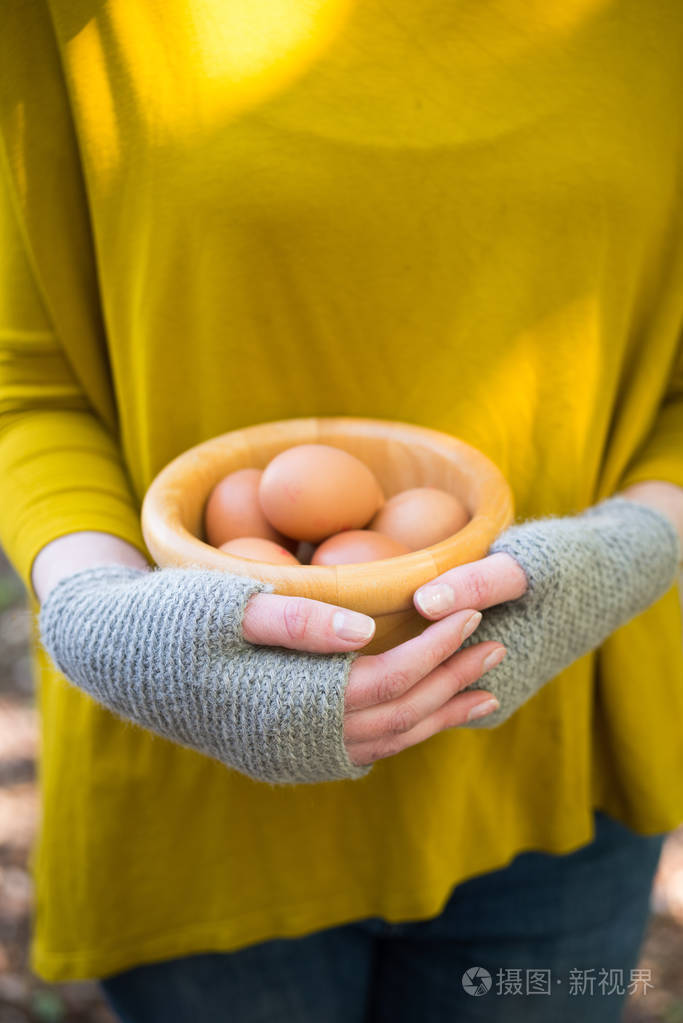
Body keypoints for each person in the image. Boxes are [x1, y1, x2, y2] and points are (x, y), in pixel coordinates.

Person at [1, 1, 682, 1020]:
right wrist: (97, 608)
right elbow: (25, 376)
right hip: (197, 779)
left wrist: (641, 544)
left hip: (556, 765)